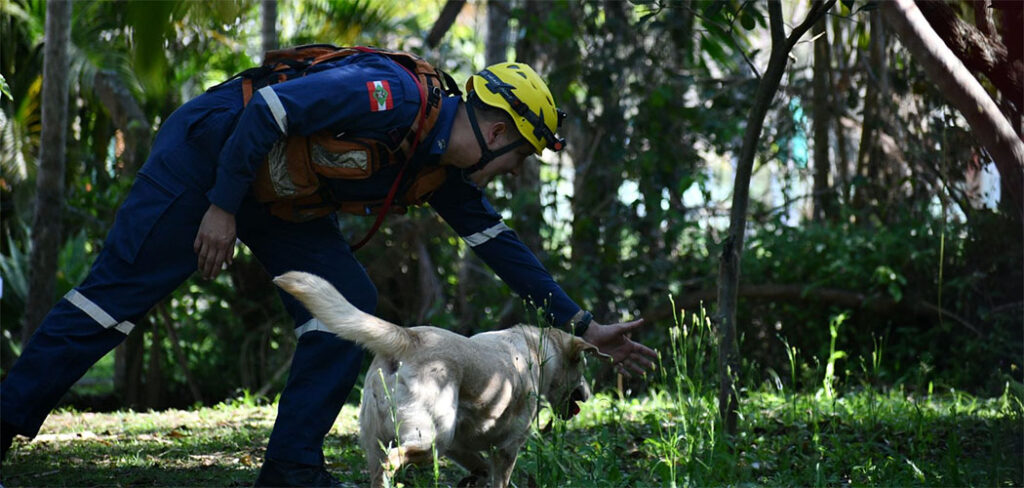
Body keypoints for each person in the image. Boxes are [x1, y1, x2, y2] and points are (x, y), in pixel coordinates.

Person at [0, 47, 658, 487]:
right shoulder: (394, 98)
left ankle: (291, 468)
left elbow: (502, 246)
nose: (517, 170)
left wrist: (584, 325)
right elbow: (267, 111)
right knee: (107, 309)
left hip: (282, 198)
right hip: (210, 158)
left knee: (348, 311)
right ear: (497, 128)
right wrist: (221, 208)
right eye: (522, 154)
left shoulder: (444, 172)